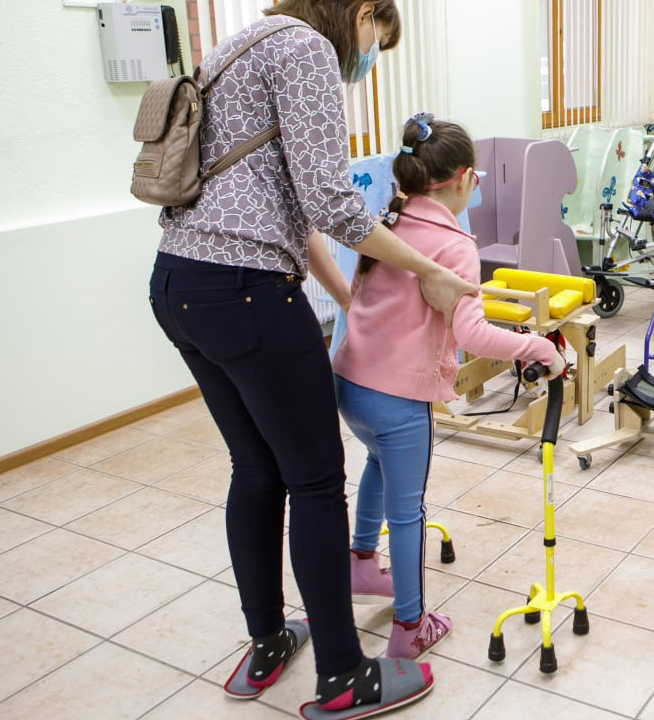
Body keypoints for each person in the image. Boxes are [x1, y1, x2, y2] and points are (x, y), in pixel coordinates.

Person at [147, 1, 476, 715]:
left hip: (177, 284)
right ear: (360, 12)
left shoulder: (239, 41)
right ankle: (341, 675)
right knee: (318, 481)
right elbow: (332, 202)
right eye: (375, 41)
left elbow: (291, 205)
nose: (370, 58)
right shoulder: (307, 50)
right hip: (245, 293)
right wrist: (427, 270)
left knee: (256, 469)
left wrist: (348, 297)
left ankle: (267, 641)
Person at [331, 115, 565, 659]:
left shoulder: (386, 220)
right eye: (476, 180)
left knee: (376, 464)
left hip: (349, 383)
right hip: (397, 398)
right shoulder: (454, 244)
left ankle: (361, 564)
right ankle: (411, 627)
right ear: (461, 179)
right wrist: (539, 347)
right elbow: (474, 335)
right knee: (408, 509)